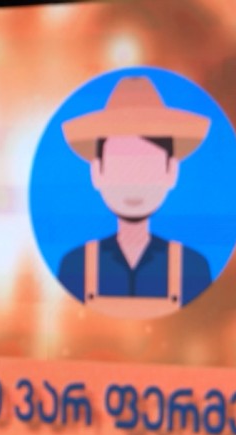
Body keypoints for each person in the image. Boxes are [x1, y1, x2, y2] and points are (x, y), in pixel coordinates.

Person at [57, 75, 214, 317]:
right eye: (121, 167)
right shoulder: (74, 267)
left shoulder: (192, 269)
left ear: (172, 171)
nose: (133, 184)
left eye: (147, 167)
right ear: (96, 172)